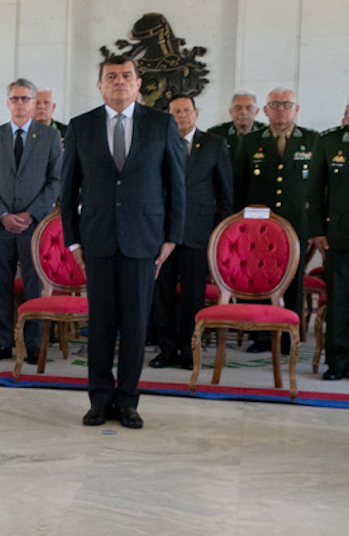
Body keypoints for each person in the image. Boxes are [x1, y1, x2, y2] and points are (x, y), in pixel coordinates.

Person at [59, 56, 185, 429]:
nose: (119, 82)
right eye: (110, 76)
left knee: (135, 326)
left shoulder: (161, 125)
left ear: (137, 83)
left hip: (144, 241)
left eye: (126, 76)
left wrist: (171, 238)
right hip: (96, 240)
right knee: (99, 325)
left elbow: (175, 186)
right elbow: (67, 191)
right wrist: (72, 242)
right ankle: (99, 400)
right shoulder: (81, 126)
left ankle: (128, 400)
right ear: (99, 85)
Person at [149, 94, 233, 369]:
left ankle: (188, 347)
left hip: (198, 233)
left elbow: (225, 196)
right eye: (176, 111)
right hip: (161, 233)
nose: (182, 115)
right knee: (160, 292)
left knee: (193, 294)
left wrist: (220, 237)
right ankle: (166, 347)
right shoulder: (158, 142)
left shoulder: (214, 144)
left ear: (196, 113)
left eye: (186, 110)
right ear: (168, 115)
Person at [0, 78, 63, 363]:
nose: (19, 104)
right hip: (1, 224)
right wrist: (3, 215)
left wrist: (30, 214)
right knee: (1, 286)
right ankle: (3, 342)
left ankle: (31, 344)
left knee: (32, 287)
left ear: (34, 102)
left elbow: (56, 181)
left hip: (34, 226)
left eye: (25, 99)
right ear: (8, 103)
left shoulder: (50, 137)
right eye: (14, 99)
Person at [233, 88, 316, 353]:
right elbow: (239, 185)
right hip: (258, 227)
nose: (281, 109)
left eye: (287, 104)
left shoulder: (313, 141)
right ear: (266, 110)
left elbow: (319, 187)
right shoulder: (251, 141)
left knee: (293, 280)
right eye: (275, 105)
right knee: (260, 280)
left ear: (297, 108)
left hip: (296, 224)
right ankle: (261, 336)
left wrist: (316, 225)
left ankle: (288, 337)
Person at [309, 119, 349, 381]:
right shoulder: (329, 141)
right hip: (340, 235)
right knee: (339, 300)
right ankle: (337, 361)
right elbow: (313, 189)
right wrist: (317, 229)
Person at [206, 91, 267, 165]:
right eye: (238, 108)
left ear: (256, 112)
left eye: (249, 108)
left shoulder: (267, 133)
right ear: (231, 112)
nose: (243, 112)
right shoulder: (215, 134)